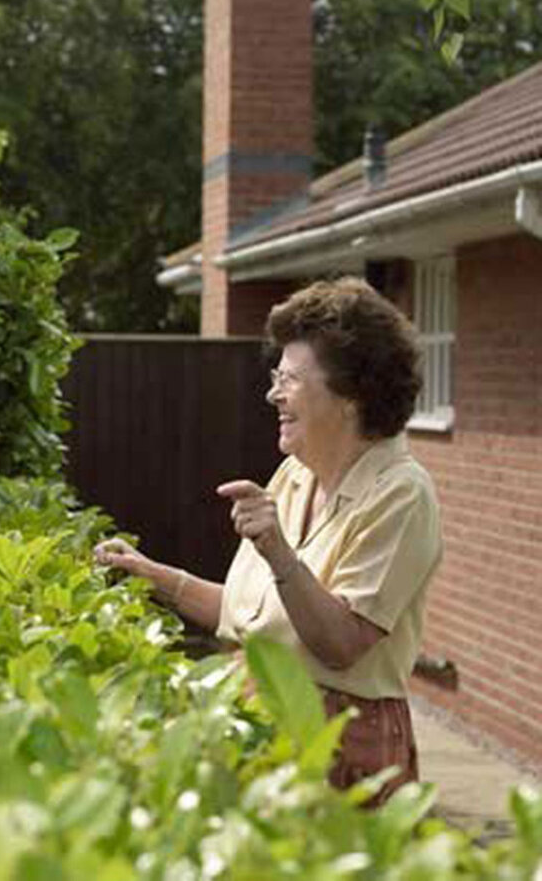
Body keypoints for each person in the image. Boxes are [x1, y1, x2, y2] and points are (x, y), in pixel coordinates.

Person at [94, 278, 441, 806]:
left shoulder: (402, 494)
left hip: (341, 748)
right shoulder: (293, 476)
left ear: (352, 395)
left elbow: (341, 644)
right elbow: (249, 617)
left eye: (290, 379)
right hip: (256, 726)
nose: (272, 392)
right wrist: (153, 576)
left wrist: (278, 550)